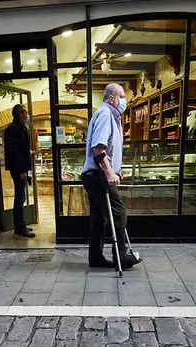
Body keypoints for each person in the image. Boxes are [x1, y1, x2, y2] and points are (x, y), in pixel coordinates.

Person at [81, 83, 141, 269]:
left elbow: (106, 149)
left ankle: (96, 258)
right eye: (122, 96)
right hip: (97, 175)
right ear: (112, 98)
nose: (125, 100)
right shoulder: (106, 114)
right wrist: (108, 172)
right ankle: (122, 259)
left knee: (100, 218)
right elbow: (98, 148)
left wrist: (114, 170)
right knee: (118, 214)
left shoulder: (111, 117)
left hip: (95, 174)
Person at [4, 104, 35, 238]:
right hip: (18, 169)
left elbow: (21, 148)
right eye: (23, 112)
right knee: (20, 197)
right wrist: (22, 170)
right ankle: (19, 226)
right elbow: (14, 151)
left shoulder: (22, 128)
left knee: (21, 197)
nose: (25, 114)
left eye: (26, 112)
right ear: (16, 115)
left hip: (21, 168)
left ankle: (20, 224)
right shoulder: (13, 129)